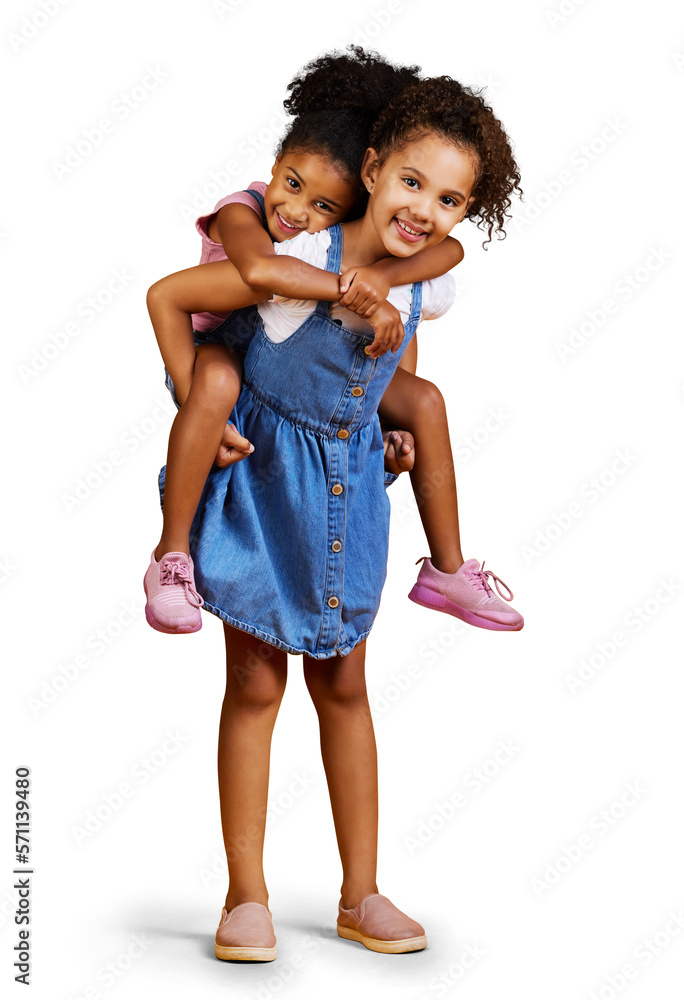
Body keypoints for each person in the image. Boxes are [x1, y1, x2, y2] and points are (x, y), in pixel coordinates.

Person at [146, 72, 522, 959]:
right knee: (257, 686)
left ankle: (361, 893)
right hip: (265, 492)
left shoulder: (429, 272)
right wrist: (191, 393)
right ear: (374, 166)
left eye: (451, 198)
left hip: (348, 500)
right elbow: (173, 298)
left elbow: (417, 313)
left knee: (347, 687)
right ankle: (246, 898)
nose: (426, 210)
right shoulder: (302, 262)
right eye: (411, 183)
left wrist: (391, 415)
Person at [143, 48, 523, 637]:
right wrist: (352, 293)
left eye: (323, 206)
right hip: (215, 348)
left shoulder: (386, 248)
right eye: (292, 186)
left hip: (297, 360)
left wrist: (385, 290)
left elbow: (442, 265)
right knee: (217, 383)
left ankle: (448, 570)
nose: (297, 212)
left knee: (424, 401)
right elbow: (257, 274)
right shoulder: (254, 221)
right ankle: (171, 556)